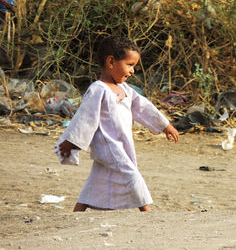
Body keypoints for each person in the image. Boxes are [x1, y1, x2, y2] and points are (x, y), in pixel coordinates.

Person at [57, 35, 179, 212]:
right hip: (108, 145)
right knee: (132, 176)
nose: (132, 71)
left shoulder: (125, 89)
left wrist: (164, 125)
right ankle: (147, 213)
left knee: (97, 181)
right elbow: (85, 118)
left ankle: (77, 212)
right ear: (111, 62)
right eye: (129, 65)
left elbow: (142, 106)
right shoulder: (98, 89)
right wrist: (71, 142)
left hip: (122, 143)